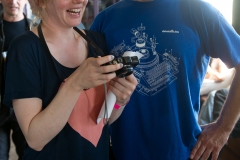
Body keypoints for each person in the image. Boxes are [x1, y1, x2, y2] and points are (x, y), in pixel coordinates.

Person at [90, 0, 240, 160]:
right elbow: (89, 87)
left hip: (184, 152)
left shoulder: (200, 12)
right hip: (121, 152)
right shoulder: (105, 19)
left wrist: (223, 128)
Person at [3, 0, 138, 159]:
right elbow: (35, 139)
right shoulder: (25, 48)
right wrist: (75, 84)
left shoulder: (97, 42)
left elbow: (103, 120)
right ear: (42, 2)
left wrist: (119, 99)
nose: (80, 1)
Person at [0, 0, 30, 159]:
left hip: (27, 106)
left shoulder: (36, 30)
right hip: (0, 106)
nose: (13, 1)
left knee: (27, 155)